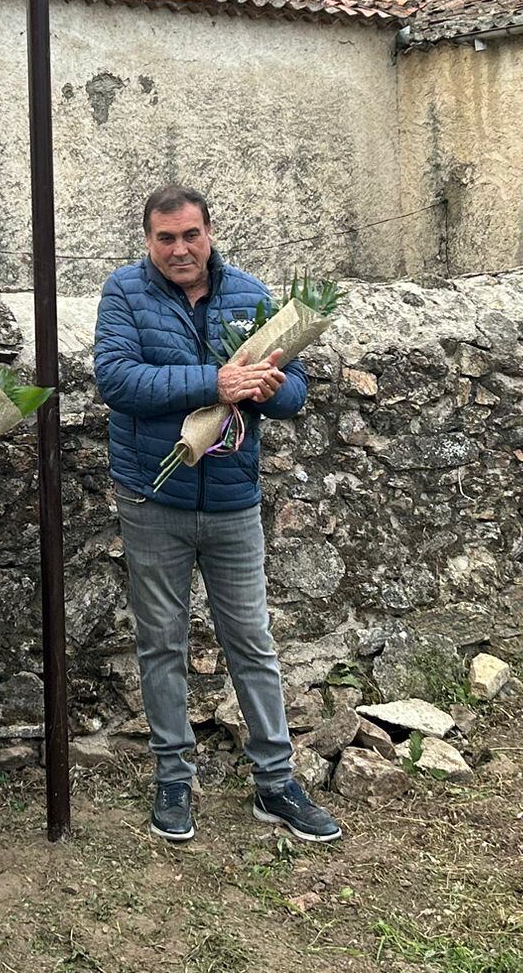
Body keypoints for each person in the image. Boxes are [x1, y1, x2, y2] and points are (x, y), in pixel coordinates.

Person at [93, 185, 342, 845]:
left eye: (190, 235)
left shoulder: (251, 295)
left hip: (233, 500)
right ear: (148, 240)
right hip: (153, 498)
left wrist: (270, 386)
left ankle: (276, 783)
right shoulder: (124, 292)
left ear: (210, 233)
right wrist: (217, 382)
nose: (179, 249)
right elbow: (116, 380)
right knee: (162, 644)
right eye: (165, 238)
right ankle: (174, 778)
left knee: (251, 642)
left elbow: (296, 393)